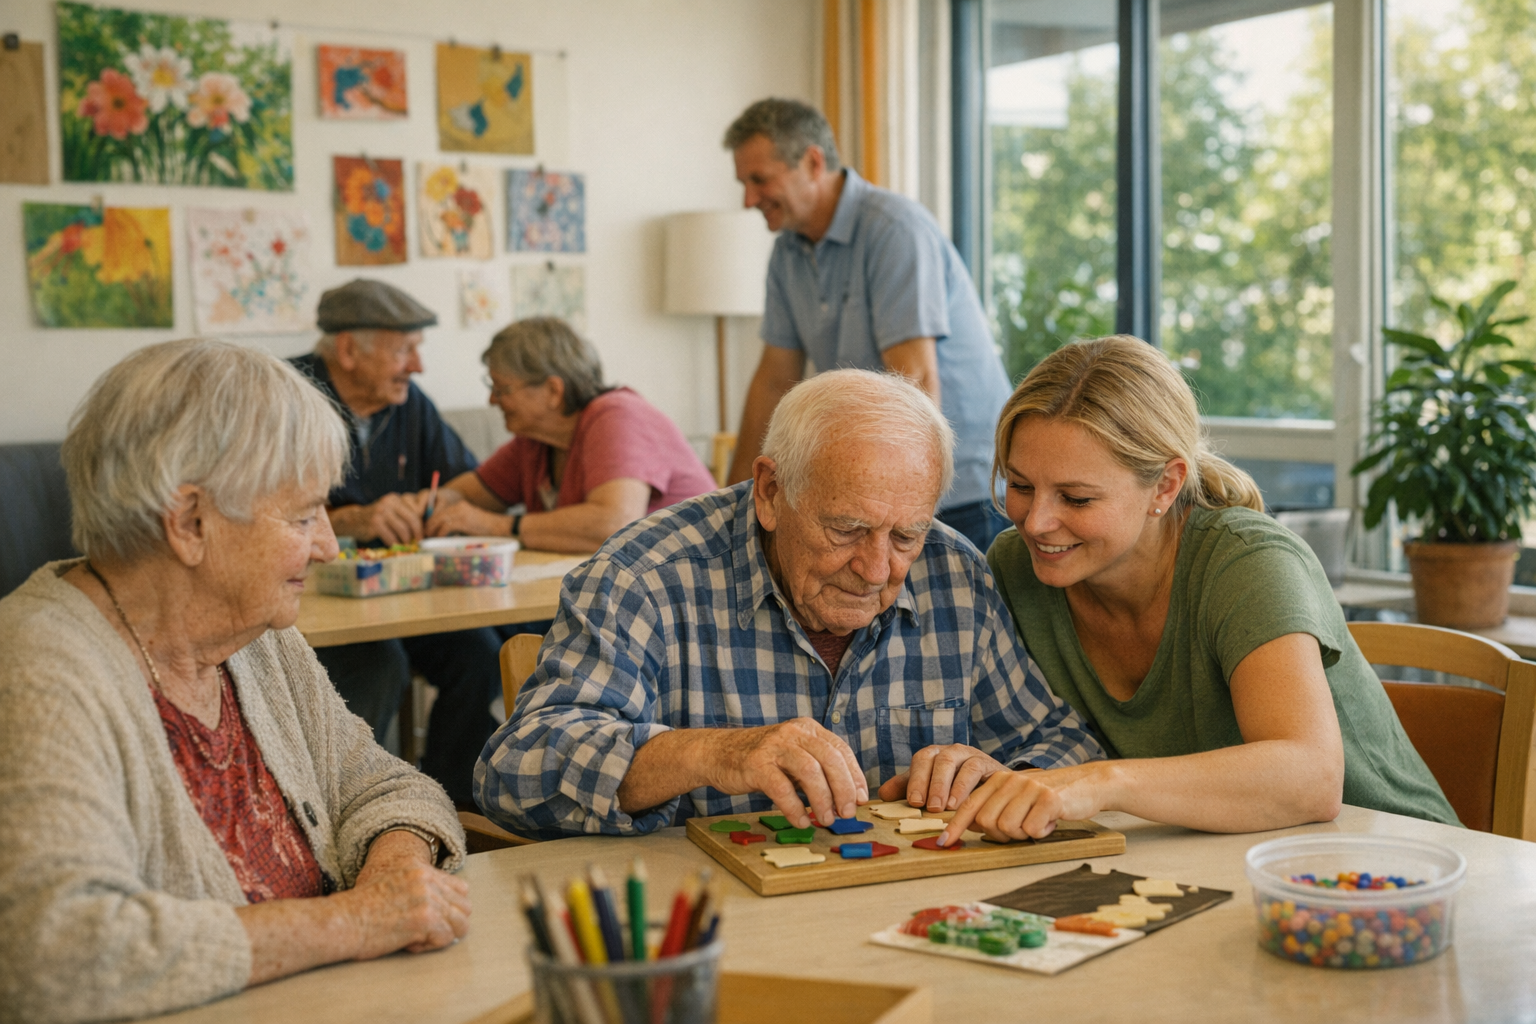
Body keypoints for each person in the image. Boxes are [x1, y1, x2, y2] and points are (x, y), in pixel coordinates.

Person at [0, 340, 470, 1024]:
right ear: (190, 523)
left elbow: (387, 784)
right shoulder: (39, 669)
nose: (328, 545)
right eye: (304, 516)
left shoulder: (254, 640)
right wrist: (357, 922)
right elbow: (54, 954)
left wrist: (396, 871)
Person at [476, 369, 1103, 840]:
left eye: (905, 536)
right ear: (771, 492)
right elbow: (512, 772)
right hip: (715, 924)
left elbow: (1065, 745)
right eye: (847, 529)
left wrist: (1000, 774)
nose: (876, 569)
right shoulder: (646, 576)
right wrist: (709, 754)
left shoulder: (952, 573)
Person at [935, 335, 1457, 849]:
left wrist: (1101, 781)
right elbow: (1039, 736)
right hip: (1212, 859)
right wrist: (991, 767)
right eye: (1021, 486)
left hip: (1396, 858)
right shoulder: (1016, 566)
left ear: (1165, 485)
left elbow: (1311, 780)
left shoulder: (1248, 562)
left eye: (1076, 497)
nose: (1036, 522)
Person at [722, 98, 1014, 552]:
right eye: (744, 184)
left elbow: (916, 380)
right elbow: (773, 381)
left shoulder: (894, 229)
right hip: (884, 491)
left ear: (812, 162)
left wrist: (903, 510)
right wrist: (732, 506)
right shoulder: (787, 253)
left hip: (960, 493)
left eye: (759, 180)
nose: (749, 200)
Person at [289, 278, 503, 805]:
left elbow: (465, 483)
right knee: (381, 664)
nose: (418, 365)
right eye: (404, 350)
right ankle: (345, 802)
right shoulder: (286, 398)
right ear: (347, 350)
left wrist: (437, 506)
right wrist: (355, 519)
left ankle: (447, 805)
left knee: (480, 654)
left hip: (403, 595)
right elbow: (258, 509)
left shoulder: (409, 404)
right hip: (316, 600)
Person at [426, 317, 717, 553]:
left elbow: (613, 525)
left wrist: (499, 526)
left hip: (695, 588)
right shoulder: (535, 442)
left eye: (502, 389)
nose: (492, 401)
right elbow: (471, 493)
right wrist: (434, 503)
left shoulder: (617, 415)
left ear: (553, 391)